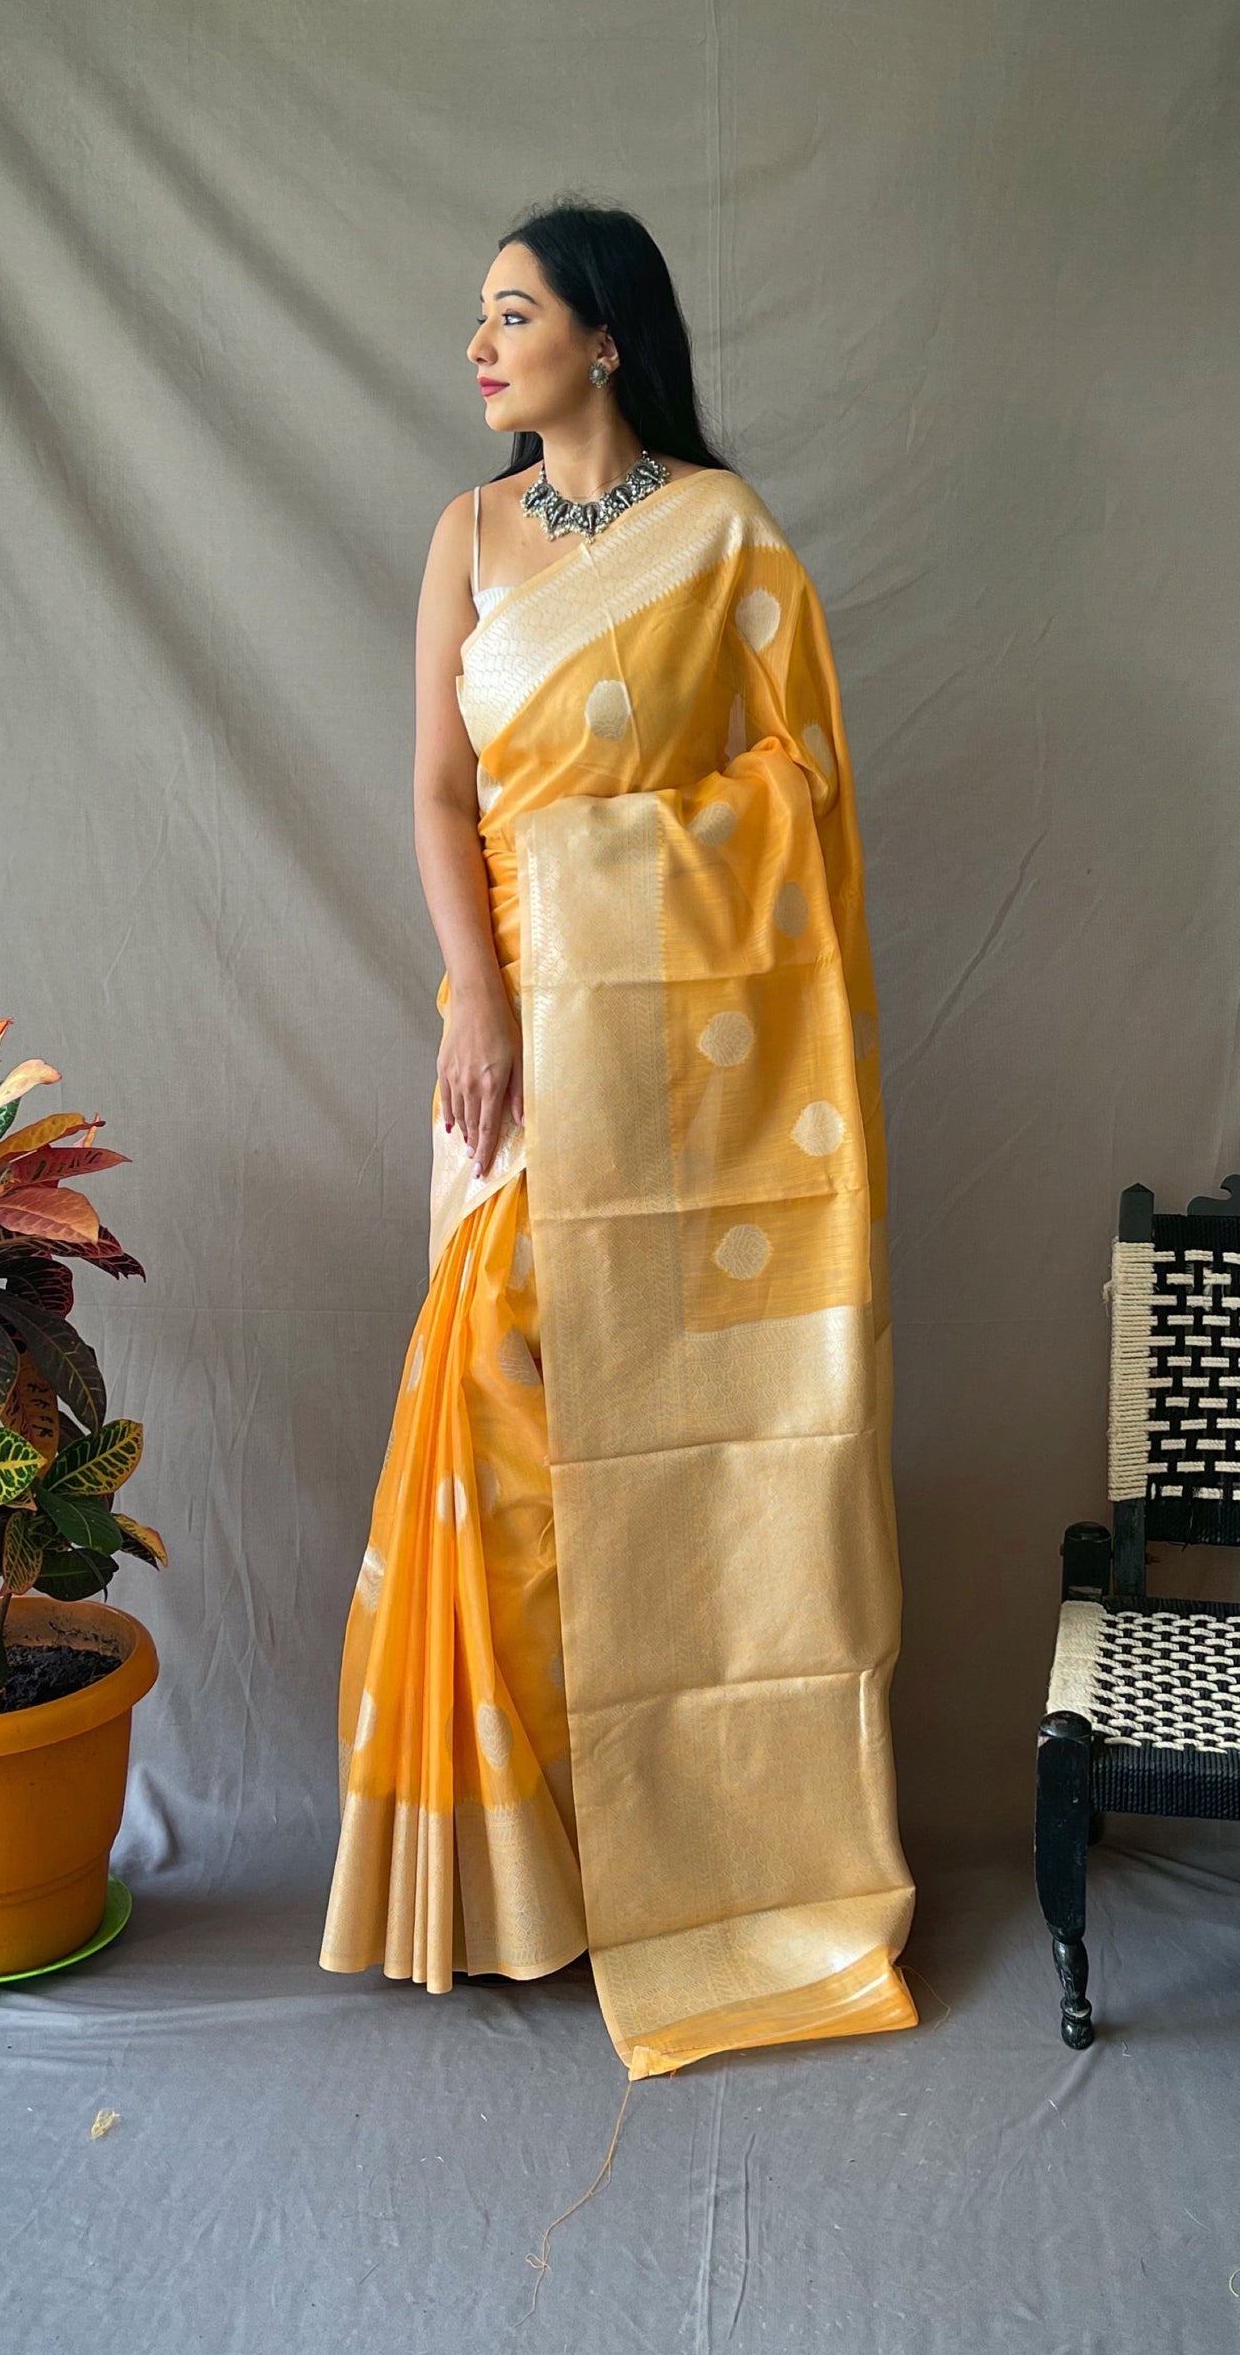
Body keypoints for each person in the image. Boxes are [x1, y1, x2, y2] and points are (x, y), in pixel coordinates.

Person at [318, 195, 917, 2079]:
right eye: (478, 317)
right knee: (500, 1431)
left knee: (680, 1447)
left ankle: (704, 1861)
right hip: (506, 1049)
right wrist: (487, 991)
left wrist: (609, 888)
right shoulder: (466, 535)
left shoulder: (721, 539)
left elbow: (797, 788)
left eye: (514, 315)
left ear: (606, 338)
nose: (481, 348)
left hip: (690, 1079)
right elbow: (431, 791)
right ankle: (511, 1884)